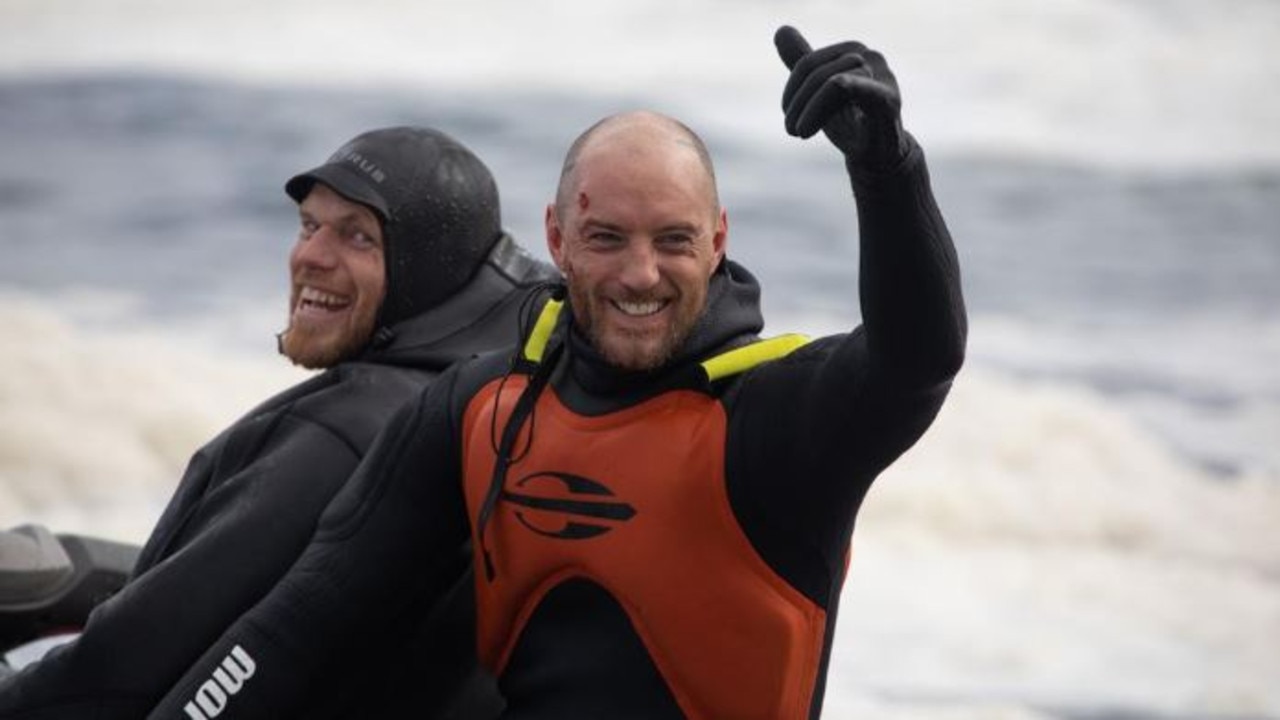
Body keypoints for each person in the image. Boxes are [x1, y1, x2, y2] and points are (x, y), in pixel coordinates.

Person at [147, 25, 967, 719]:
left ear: (717, 241)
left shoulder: (777, 421)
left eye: (673, 241)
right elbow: (301, 625)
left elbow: (919, 357)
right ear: (558, 236)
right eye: (607, 237)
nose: (640, 274)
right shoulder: (480, 410)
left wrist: (889, 169)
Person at [0, 126, 557, 718]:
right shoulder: (513, 399)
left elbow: (118, 669)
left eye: (357, 237)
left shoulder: (348, 432)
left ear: (429, 267)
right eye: (309, 226)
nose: (311, 256)